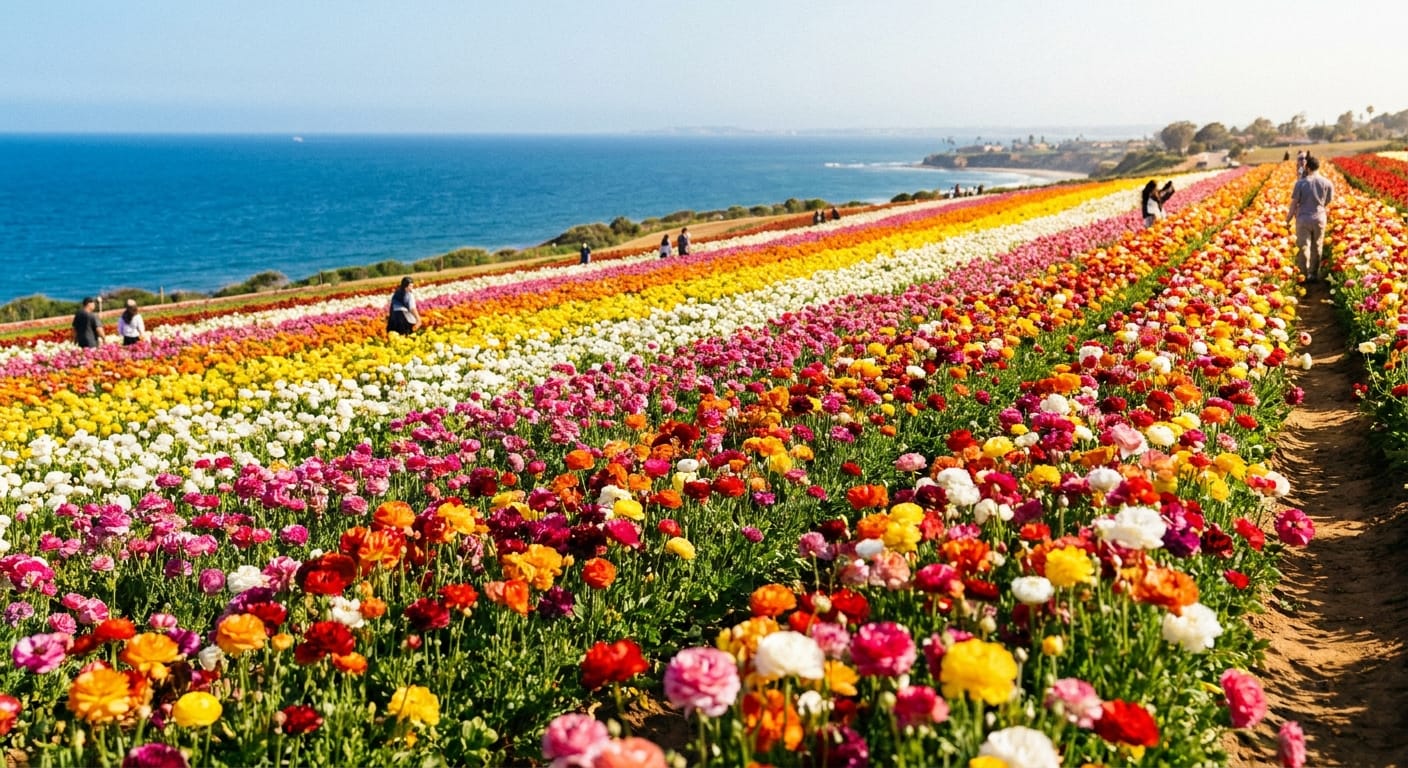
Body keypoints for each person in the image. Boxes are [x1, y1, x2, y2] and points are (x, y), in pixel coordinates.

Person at [1287, 155, 1335, 283]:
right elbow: (1329, 200)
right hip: (1319, 218)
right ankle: (1313, 274)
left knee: (1304, 246)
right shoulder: (1327, 182)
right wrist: (1319, 206)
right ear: (1318, 167)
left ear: (1307, 167)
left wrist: (1288, 219)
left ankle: (1303, 273)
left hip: (1303, 218)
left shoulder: (1301, 183)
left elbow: (1294, 204)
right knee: (1317, 245)